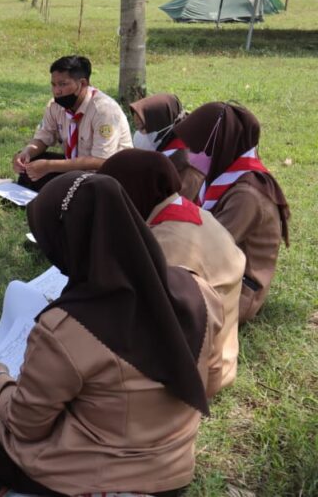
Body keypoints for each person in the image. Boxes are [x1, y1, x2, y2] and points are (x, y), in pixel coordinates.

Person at [0, 172, 215, 496]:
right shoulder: (197, 289)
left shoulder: (67, 327)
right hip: (173, 470)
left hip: (91, 476)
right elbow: (214, 377)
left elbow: (25, 425)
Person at [100, 149, 245, 396]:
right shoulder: (192, 212)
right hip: (221, 355)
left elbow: (145, 318)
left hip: (195, 374)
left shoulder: (166, 244)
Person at [174, 102, 291, 322]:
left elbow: (210, 250)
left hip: (237, 291)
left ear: (217, 147)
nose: (189, 154)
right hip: (216, 274)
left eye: (195, 148)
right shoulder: (219, 174)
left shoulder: (247, 195)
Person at [12, 56, 132, 191]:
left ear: (82, 83)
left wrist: (49, 166)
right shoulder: (55, 106)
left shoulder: (104, 110)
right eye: (53, 85)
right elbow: (42, 138)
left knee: (82, 187)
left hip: (106, 176)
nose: (57, 91)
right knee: (31, 163)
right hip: (74, 167)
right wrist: (26, 153)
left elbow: (100, 161)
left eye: (63, 84)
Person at [129, 93, 204, 201]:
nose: (139, 134)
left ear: (160, 125)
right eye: (137, 127)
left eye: (143, 128)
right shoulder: (162, 148)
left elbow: (177, 205)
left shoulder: (186, 167)